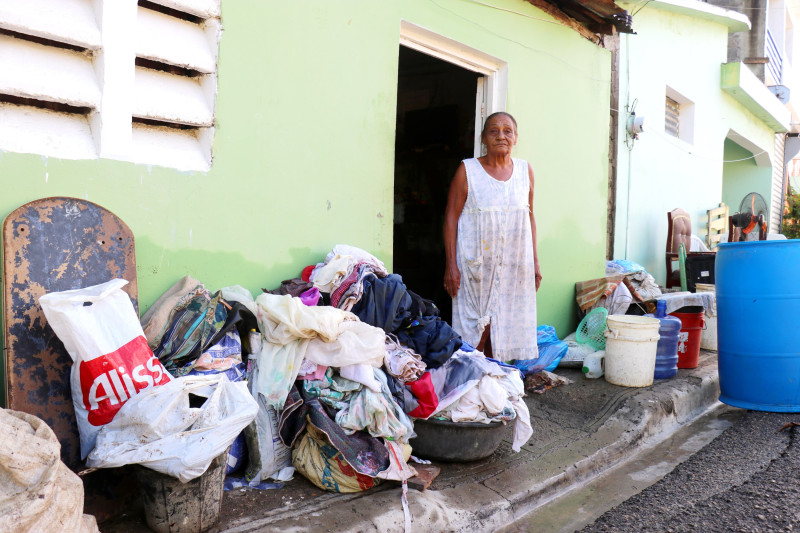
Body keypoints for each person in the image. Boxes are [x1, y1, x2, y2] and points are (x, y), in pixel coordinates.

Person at [443, 112, 540, 362]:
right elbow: (451, 218)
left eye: (507, 131)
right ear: (484, 138)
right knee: (477, 332)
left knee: (505, 328)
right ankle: (473, 383)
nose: (501, 136)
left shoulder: (524, 171)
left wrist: (535, 263)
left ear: (516, 137)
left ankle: (495, 382)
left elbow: (529, 217)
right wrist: (451, 265)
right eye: (494, 131)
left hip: (513, 267)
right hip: (477, 268)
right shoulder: (468, 171)